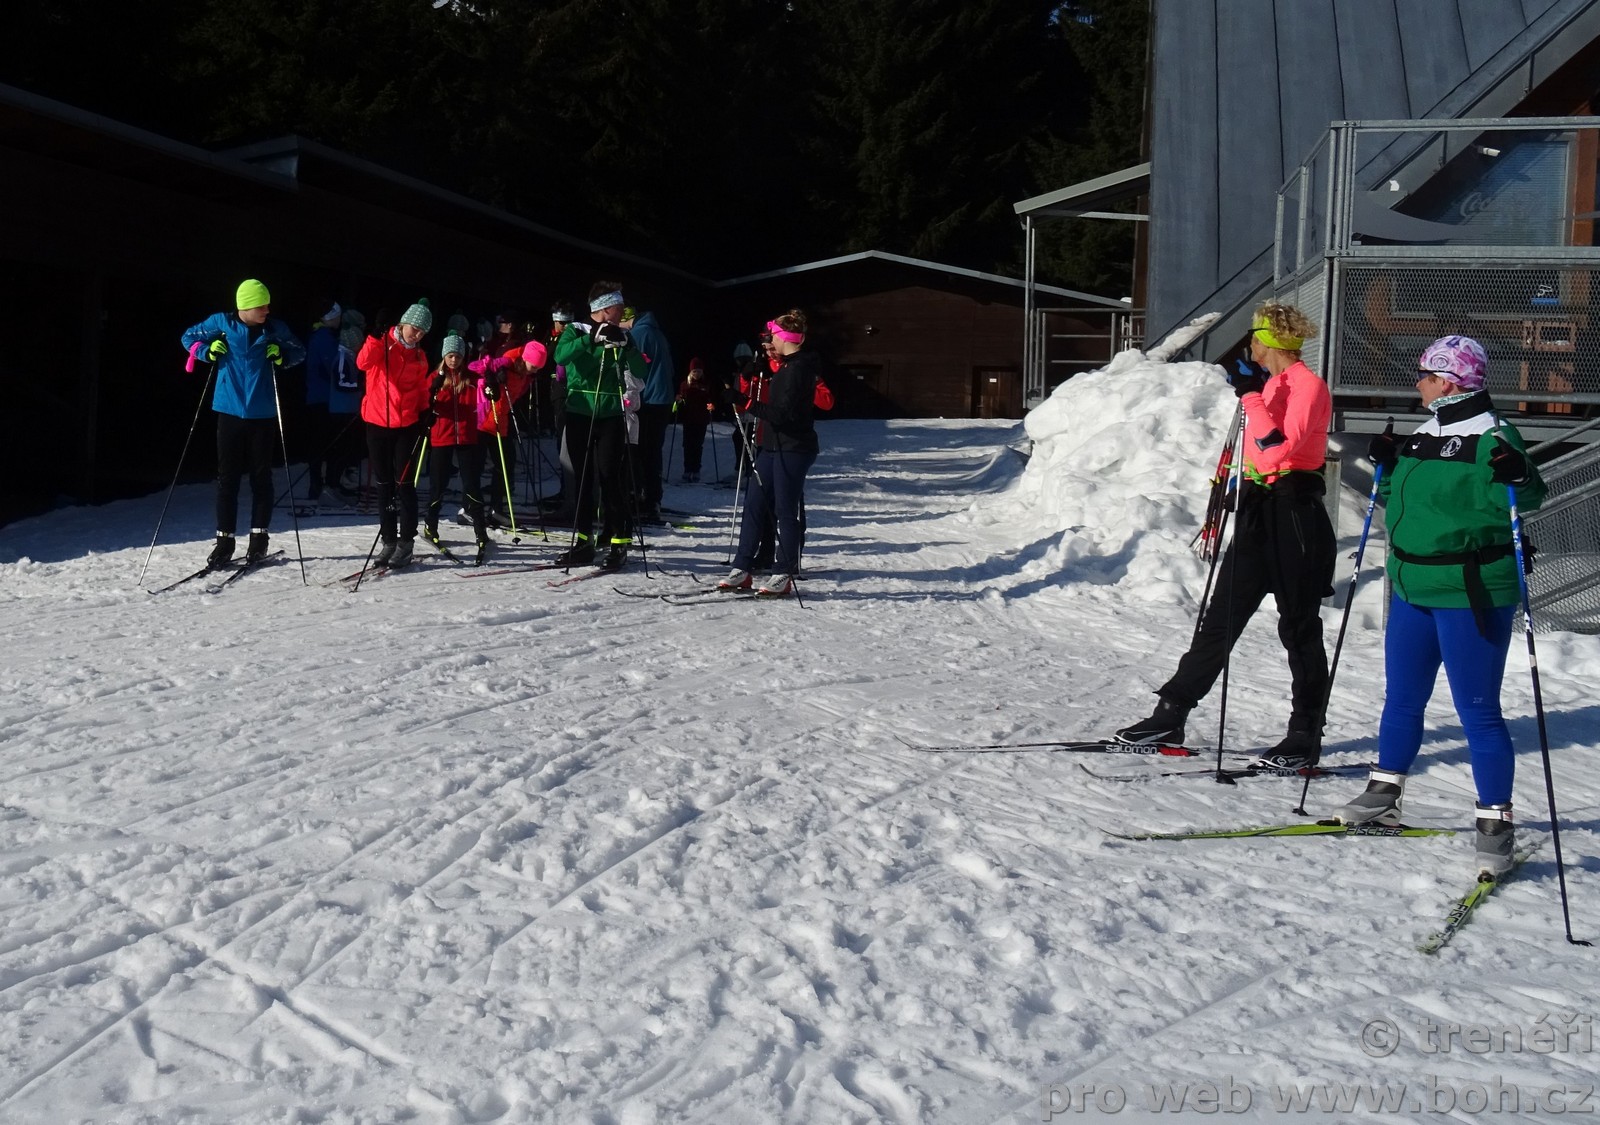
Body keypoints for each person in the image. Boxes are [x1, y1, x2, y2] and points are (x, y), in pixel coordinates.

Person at [1334, 335, 1546, 876]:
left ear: (1450, 382)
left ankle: (1495, 825)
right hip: (1412, 587)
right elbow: (1410, 504)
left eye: (1427, 375)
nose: (1419, 383)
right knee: (1403, 698)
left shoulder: (1493, 433)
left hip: (1469, 590)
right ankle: (1384, 793)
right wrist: (1386, 468)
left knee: (1478, 710)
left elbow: (1528, 493)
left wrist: (1519, 474)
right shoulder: (1426, 433)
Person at [1115, 301, 1336, 768]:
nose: (1248, 343)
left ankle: (1304, 734)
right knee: (1220, 619)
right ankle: (1170, 713)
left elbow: (1278, 452)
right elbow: (1258, 454)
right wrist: (1242, 480)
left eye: (1254, 336)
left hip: (1295, 518)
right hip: (1259, 512)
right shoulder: (1271, 384)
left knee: (1298, 629)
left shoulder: (1308, 387)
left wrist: (1252, 398)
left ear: (1268, 341)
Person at [180, 279, 306, 565]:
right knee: (228, 478)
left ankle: (259, 541)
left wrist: (281, 356)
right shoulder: (221, 323)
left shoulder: (275, 329)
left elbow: (299, 351)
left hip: (262, 413)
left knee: (261, 477)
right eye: (261, 306)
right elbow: (188, 337)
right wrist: (206, 351)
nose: (267, 310)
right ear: (246, 306)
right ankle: (224, 543)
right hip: (229, 410)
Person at [718, 309, 820, 598]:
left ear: (784, 337)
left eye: (772, 335)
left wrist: (744, 401)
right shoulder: (787, 366)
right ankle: (742, 567)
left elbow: (781, 414)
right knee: (754, 503)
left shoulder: (799, 369)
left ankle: (783, 571)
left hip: (793, 448)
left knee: (784, 511)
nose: (769, 341)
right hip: (773, 446)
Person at [552, 282, 648, 569]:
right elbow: (560, 357)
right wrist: (591, 339)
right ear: (604, 309)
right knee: (582, 479)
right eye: (618, 308)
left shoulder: (623, 333)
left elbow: (641, 370)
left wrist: (628, 347)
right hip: (579, 413)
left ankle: (619, 541)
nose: (622, 313)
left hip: (611, 415)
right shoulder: (577, 330)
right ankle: (583, 541)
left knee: (610, 478)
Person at [358, 299, 433, 568]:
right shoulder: (383, 343)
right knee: (384, 485)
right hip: (378, 422)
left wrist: (426, 411)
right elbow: (363, 363)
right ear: (403, 323)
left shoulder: (420, 356)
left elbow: (421, 389)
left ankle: (406, 542)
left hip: (406, 426)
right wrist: (374, 337)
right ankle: (388, 540)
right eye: (415, 328)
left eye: (422, 332)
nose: (417, 335)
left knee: (405, 485)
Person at [424, 333, 490, 564]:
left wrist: (492, 386)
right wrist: (430, 398)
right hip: (441, 436)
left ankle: (481, 531)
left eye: (458, 356)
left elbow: (487, 394)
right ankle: (431, 526)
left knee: (472, 485)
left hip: (467, 436)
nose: (454, 360)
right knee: (438, 484)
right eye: (450, 356)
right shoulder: (435, 377)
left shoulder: (471, 378)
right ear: (444, 356)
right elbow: (424, 403)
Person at [470, 339, 543, 531]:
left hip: (500, 421)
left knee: (506, 464)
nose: (535, 370)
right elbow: (477, 367)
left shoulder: (525, 373)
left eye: (538, 368)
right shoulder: (507, 361)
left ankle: (497, 508)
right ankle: (469, 507)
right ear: (526, 359)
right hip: (484, 417)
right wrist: (492, 376)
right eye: (534, 366)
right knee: (476, 465)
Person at [620, 303, 675, 522]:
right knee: (652, 451)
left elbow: (634, 370)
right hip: (661, 400)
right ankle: (652, 499)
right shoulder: (655, 331)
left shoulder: (639, 334)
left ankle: (645, 499)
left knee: (640, 451)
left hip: (649, 400)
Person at [301, 301, 343, 507]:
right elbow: (332, 367)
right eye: (337, 316)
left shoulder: (324, 336)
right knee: (324, 443)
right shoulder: (323, 337)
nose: (339, 319)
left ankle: (323, 485)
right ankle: (321, 486)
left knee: (323, 443)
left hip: (322, 397)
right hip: (323, 398)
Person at [677, 358, 715, 482]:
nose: (696, 374)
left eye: (699, 371)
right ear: (690, 372)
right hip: (688, 419)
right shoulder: (685, 385)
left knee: (698, 445)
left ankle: (696, 470)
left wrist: (711, 405)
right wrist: (678, 401)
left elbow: (712, 399)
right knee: (687, 445)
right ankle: (687, 470)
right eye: (694, 371)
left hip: (701, 419)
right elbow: (681, 399)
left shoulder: (706, 384)